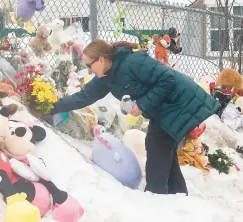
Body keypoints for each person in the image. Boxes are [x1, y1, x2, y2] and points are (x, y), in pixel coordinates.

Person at [44, 39, 220, 195]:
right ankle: (176, 197)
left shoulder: (133, 62)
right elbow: (84, 96)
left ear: (102, 60)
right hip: (166, 107)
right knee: (161, 147)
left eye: (89, 65)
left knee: (157, 145)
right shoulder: (106, 76)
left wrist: (142, 104)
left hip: (180, 101)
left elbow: (167, 79)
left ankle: (157, 196)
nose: (88, 70)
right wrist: (51, 106)